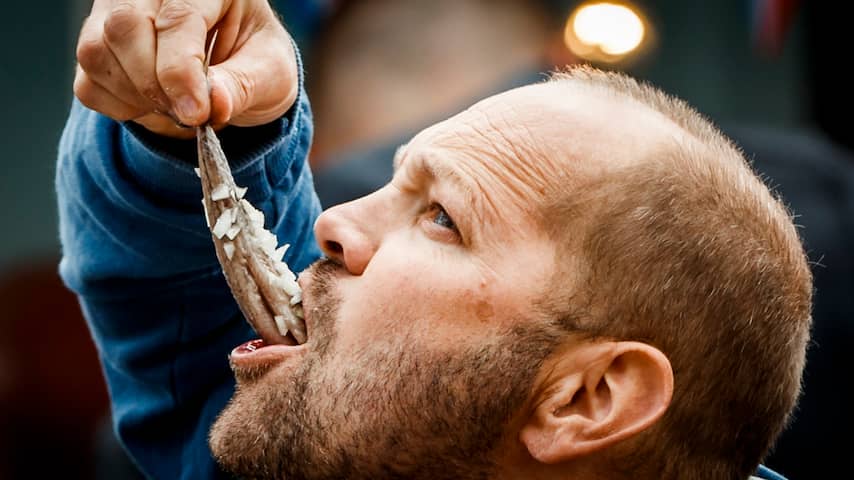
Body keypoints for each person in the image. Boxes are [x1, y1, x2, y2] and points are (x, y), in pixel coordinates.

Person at [58, 1, 810, 479]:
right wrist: (199, 126)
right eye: (393, 182)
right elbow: (185, 314)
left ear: (587, 398)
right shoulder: (340, 446)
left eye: (443, 217)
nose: (331, 222)